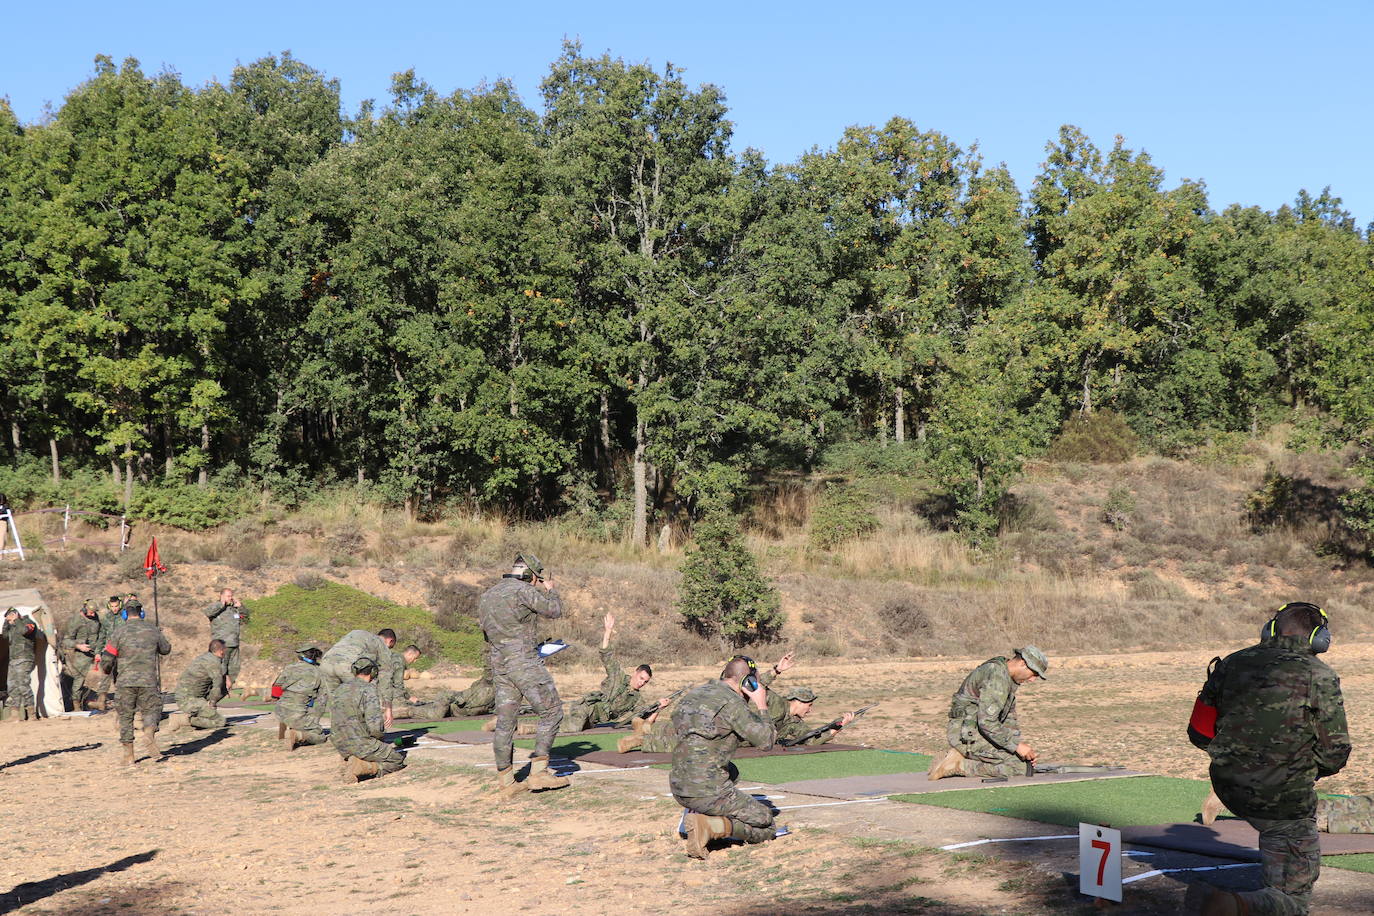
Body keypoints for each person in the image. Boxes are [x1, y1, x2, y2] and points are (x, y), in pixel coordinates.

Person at [1184, 602, 1350, 915]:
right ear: (1320, 638)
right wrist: (1300, 771)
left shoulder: (1232, 663)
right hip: (1283, 801)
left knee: (1274, 833)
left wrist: (1241, 759)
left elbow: (1198, 732)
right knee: (1293, 901)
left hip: (1228, 786)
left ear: (1269, 630)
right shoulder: (1320, 675)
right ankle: (1234, 905)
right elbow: (1335, 753)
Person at [479, 552, 569, 796]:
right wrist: (550, 590)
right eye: (536, 579)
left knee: (505, 722)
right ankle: (539, 772)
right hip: (524, 663)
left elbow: (488, 634)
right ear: (530, 576)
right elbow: (554, 610)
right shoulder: (522, 590)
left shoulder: (488, 595)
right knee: (552, 712)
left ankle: (506, 781)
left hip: (500, 665)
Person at [670, 655, 779, 858]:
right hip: (706, 790)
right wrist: (762, 705)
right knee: (766, 822)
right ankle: (710, 826)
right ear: (748, 682)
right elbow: (766, 741)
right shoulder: (733, 703)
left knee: (732, 771)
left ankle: (698, 813)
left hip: (678, 784)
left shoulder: (694, 694)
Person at [927, 646, 1049, 780]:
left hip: (974, 732)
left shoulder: (1005, 676)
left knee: (1022, 762)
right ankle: (959, 765)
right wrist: (1016, 747)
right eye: (1034, 674)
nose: (1032, 680)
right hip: (966, 736)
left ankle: (960, 757)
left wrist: (1019, 748)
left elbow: (1009, 719)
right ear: (1023, 663)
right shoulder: (997, 677)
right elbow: (987, 722)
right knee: (1018, 767)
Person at [564, 613, 668, 732]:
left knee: (579, 728)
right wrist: (608, 631)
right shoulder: (618, 676)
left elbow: (645, 719)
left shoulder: (636, 699)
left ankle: (554, 720)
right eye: (641, 678)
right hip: (585, 708)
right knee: (573, 728)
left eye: (645, 681)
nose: (642, 683)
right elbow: (606, 655)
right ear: (635, 673)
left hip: (592, 720)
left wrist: (659, 707)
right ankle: (546, 726)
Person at [101, 601, 171, 764]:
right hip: (148, 680)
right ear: (141, 612)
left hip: (125, 682)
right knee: (151, 710)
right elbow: (166, 649)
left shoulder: (118, 632)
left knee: (125, 716)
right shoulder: (152, 630)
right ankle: (148, 734)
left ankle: (129, 755)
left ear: (125, 614)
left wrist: (106, 669)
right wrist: (158, 635)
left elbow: (107, 659)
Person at [329, 655, 406, 781]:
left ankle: (352, 759)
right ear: (373, 672)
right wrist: (379, 740)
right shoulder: (369, 689)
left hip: (339, 744)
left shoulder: (339, 689)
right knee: (396, 759)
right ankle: (363, 767)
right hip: (361, 744)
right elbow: (375, 727)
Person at [320, 629, 404, 729]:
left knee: (335, 702)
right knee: (362, 699)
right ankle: (367, 732)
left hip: (326, 663)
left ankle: (338, 733)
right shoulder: (382, 646)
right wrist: (388, 708)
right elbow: (385, 678)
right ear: (390, 641)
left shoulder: (357, 632)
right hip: (348, 666)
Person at [401, 661, 496, 721]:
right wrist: (460, 700)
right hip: (449, 700)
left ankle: (407, 708)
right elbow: (460, 697)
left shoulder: (495, 692)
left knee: (428, 707)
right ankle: (406, 711)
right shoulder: (484, 689)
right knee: (436, 716)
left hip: (453, 708)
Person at [274, 646, 328, 749]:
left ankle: (284, 732)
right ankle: (298, 735)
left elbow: (276, 687)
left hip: (280, 710)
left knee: (294, 719)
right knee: (320, 736)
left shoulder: (290, 667)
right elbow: (322, 699)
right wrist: (315, 719)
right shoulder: (319, 672)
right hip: (298, 712)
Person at [167, 640, 227, 732]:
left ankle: (201, 715)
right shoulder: (214, 663)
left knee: (223, 689)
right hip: (188, 700)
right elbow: (217, 686)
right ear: (221, 651)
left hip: (188, 697)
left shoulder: (206, 658)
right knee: (220, 721)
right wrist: (212, 703)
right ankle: (184, 720)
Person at [767, 686, 856, 746]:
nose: (810, 710)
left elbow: (812, 740)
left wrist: (840, 725)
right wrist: (776, 670)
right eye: (809, 705)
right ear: (799, 702)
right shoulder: (777, 703)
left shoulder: (796, 722)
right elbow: (759, 686)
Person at [60, 600, 103, 711]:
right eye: (90, 612)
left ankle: (90, 702)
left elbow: (98, 636)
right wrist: (78, 646)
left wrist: (98, 651)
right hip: (78, 655)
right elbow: (66, 641)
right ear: (84, 609)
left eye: (94, 612)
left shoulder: (95, 619)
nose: (93, 614)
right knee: (78, 680)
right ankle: (76, 705)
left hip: (93, 653)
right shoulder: (75, 621)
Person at [2, 606, 42, 721]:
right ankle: (14, 714)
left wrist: (17, 620)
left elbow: (25, 631)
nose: (9, 620)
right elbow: (5, 635)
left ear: (16, 615)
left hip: (24, 658)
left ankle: (31, 713)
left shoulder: (27, 622)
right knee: (12, 686)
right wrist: (6, 623)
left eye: (10, 617)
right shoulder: (12, 627)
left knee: (23, 685)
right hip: (13, 660)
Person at [203, 587, 247, 693]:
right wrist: (221, 604)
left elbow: (245, 618)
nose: (230, 598)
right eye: (228, 596)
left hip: (234, 644)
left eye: (231, 596)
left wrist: (240, 608)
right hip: (221, 645)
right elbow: (208, 612)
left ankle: (227, 688)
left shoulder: (233, 609)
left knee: (234, 668)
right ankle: (214, 692)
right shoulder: (217, 607)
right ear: (221, 596)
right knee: (220, 670)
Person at [91, 596, 125, 710]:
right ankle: (101, 700)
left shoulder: (125, 617)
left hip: (122, 651)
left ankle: (122, 701)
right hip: (109, 651)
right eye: (112, 606)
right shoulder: (106, 618)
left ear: (119, 605)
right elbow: (102, 636)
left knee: (120, 676)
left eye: (116, 606)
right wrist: (98, 652)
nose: (114, 609)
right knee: (106, 674)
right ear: (109, 606)